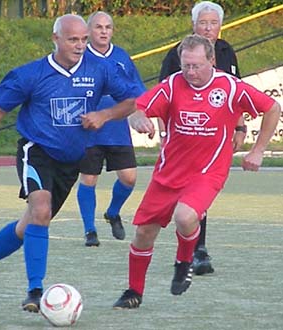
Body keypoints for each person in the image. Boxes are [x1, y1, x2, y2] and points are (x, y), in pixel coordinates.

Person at [0, 14, 138, 313]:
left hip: (71, 161)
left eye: (83, 39)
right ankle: (35, 292)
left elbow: (132, 100)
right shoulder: (30, 75)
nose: (80, 46)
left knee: (29, 224)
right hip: (36, 150)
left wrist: (105, 115)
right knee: (40, 210)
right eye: (73, 40)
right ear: (55, 39)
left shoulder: (99, 70)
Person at [113, 34, 281, 309]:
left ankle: (184, 260)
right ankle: (134, 292)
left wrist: (258, 150)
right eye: (185, 65)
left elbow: (272, 107)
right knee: (144, 234)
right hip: (168, 173)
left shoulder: (230, 87)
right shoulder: (172, 84)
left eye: (196, 65)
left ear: (212, 61)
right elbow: (139, 106)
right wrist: (138, 117)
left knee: (185, 215)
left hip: (207, 172)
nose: (190, 72)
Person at [158, 1, 246, 275]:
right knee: (188, 193)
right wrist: (164, 132)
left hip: (217, 135)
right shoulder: (178, 54)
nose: (209, 28)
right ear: (193, 25)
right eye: (203, 23)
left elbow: (237, 92)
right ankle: (195, 250)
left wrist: (240, 127)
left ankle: (198, 249)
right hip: (187, 134)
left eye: (213, 23)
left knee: (200, 192)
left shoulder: (226, 50)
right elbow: (163, 94)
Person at [77, 11, 146, 247]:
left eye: (108, 27)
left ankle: (113, 212)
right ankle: (89, 231)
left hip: (117, 127)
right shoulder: (80, 56)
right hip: (89, 128)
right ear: (89, 31)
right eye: (98, 27)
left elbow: (137, 92)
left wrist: (141, 116)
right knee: (89, 178)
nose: (104, 31)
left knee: (129, 178)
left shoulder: (121, 57)